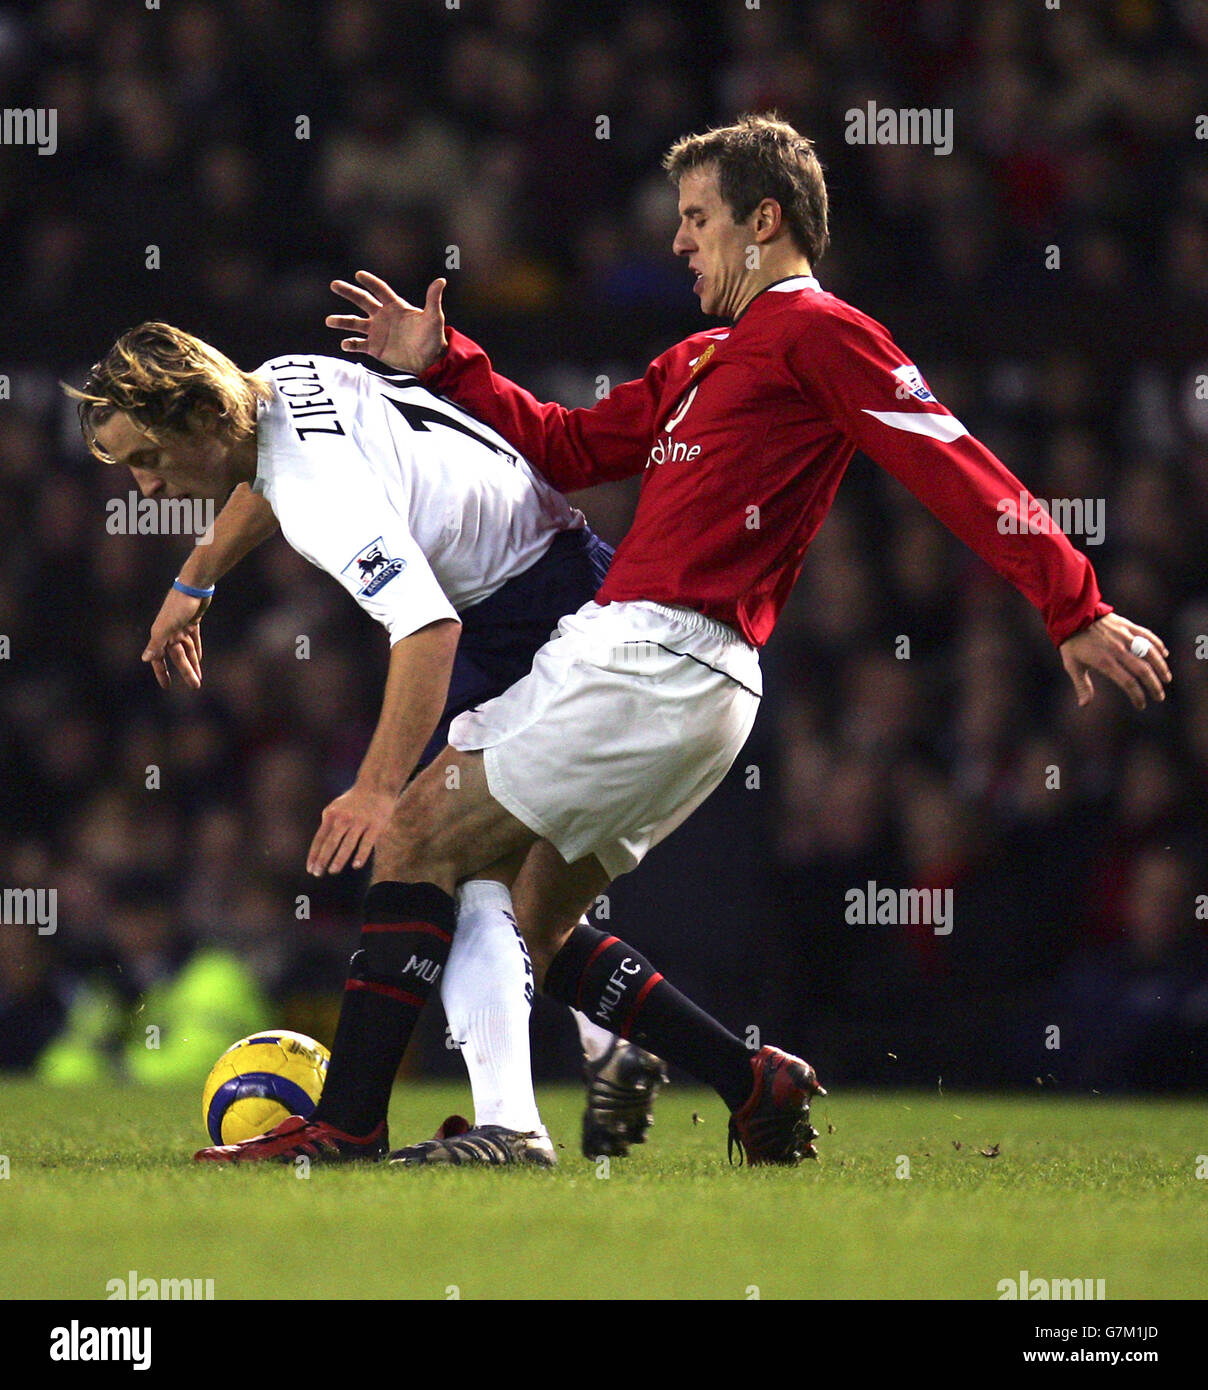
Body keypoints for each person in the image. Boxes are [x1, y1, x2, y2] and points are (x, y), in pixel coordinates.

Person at [298, 111, 1168, 1164]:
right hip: (700, 689)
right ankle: (750, 1079)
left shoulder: (816, 330)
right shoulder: (704, 356)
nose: (677, 241)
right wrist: (449, 362)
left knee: (416, 831)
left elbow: (950, 459)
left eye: (696, 218)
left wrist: (1072, 601)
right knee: (529, 915)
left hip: (652, 655)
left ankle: (359, 1132)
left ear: (765, 221)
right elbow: (568, 448)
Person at [66, 324, 686, 1165]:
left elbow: (427, 628)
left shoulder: (322, 495)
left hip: (533, 620)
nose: (144, 485)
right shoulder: (277, 380)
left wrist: (374, 787)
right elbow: (264, 476)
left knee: (429, 852)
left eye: (145, 457)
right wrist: (197, 573)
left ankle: (508, 1122)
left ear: (199, 422)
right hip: (553, 582)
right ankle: (655, 1063)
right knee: (499, 883)